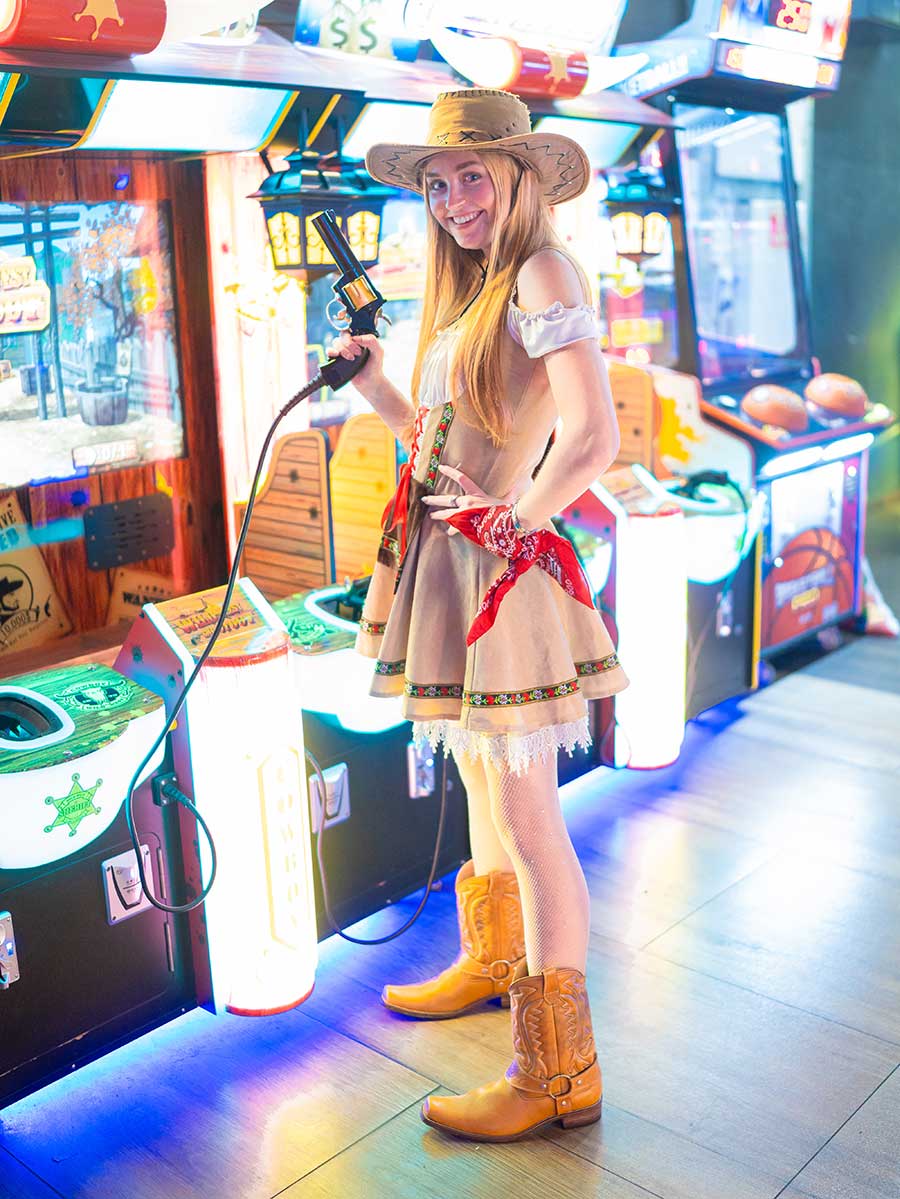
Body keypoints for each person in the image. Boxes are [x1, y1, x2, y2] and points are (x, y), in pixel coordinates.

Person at [328, 87, 628, 1142]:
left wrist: (513, 523)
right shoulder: (472, 291)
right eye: (438, 182)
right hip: (453, 568)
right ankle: (497, 959)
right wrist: (376, 387)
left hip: (501, 579)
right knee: (480, 780)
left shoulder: (543, 270)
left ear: (521, 176)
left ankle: (559, 1070)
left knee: (531, 815)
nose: (454, 198)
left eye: (473, 175)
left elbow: (594, 437)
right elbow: (445, 441)